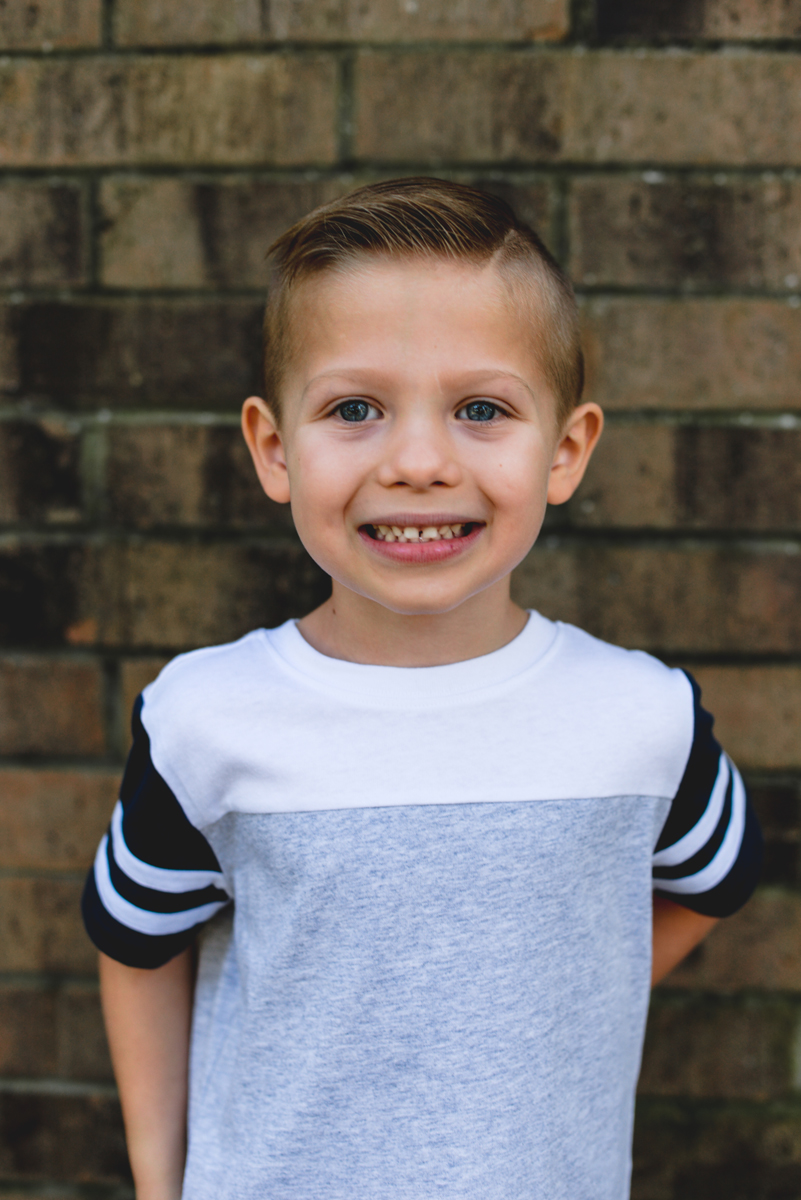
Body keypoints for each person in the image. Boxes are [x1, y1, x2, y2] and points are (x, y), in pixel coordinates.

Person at [82, 178, 762, 1200]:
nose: (416, 460)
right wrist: (157, 1179)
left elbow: (717, 880)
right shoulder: (205, 720)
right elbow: (136, 943)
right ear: (274, 448)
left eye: (481, 409)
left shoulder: (641, 719)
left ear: (565, 451)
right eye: (354, 409)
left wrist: (551, 1011)